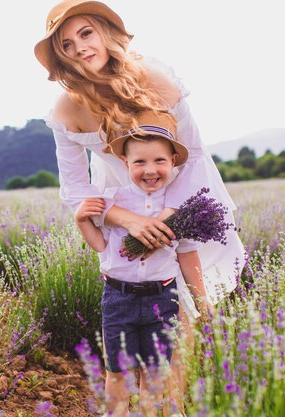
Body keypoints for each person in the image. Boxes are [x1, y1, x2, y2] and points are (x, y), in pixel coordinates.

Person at [34, 0, 245, 413]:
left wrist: (173, 217)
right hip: (116, 205)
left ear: (104, 32)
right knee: (139, 306)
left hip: (183, 195)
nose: (78, 48)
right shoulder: (66, 109)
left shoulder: (154, 78)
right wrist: (128, 220)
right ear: (59, 55)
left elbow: (195, 156)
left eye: (85, 34)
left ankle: (172, 407)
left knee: (181, 308)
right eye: (66, 43)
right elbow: (75, 190)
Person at [75, 111, 210, 416]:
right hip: (118, 299)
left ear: (173, 160)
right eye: (139, 162)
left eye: (159, 161)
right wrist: (81, 219)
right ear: (125, 163)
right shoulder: (112, 200)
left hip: (162, 300)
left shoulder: (179, 208)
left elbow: (187, 254)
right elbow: (100, 245)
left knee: (155, 375)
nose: (150, 170)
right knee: (118, 374)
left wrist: (203, 302)